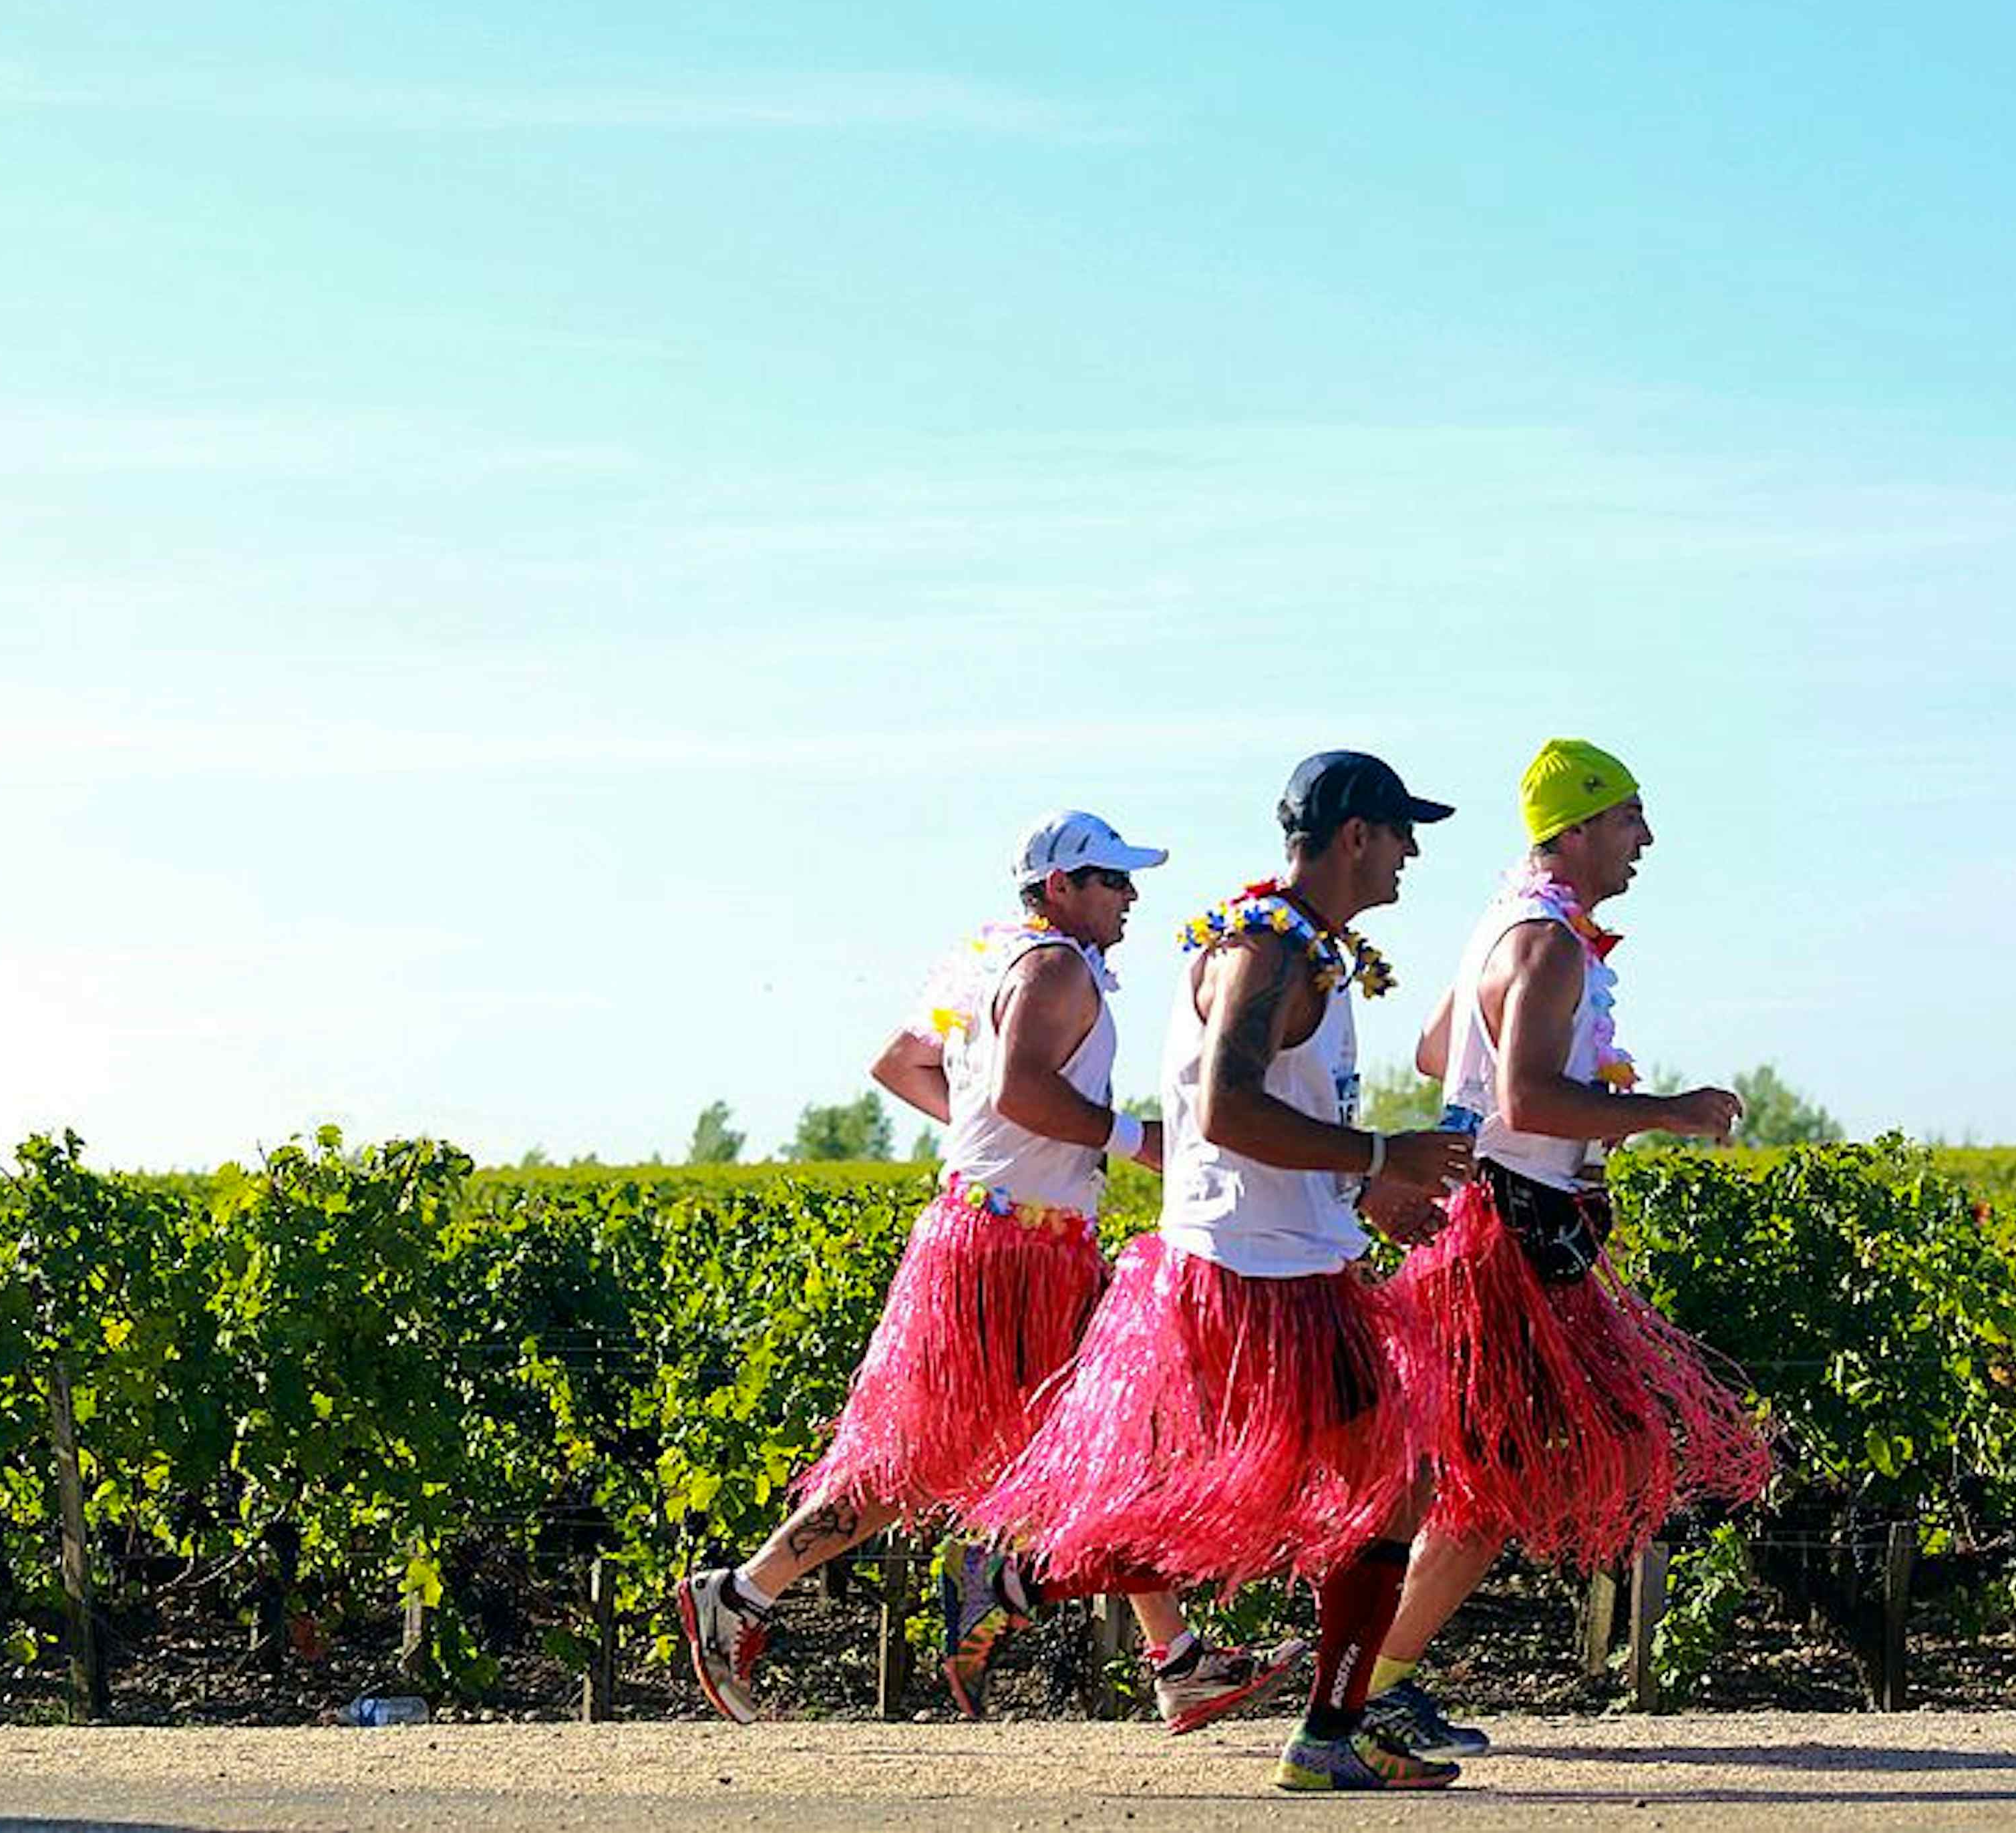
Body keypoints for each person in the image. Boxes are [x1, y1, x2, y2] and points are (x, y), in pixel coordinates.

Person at [675, 810, 1302, 1733]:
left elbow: (902, 1064)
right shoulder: (1054, 967)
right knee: (1076, 1445)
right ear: (1061, 887)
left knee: (1001, 1452)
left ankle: (1176, 1660)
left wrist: (993, 1143)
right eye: (1112, 880)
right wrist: (1131, 1141)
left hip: (996, 1240)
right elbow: (1016, 1090)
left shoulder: (993, 960)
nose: (1130, 896)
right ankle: (755, 1590)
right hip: (1013, 1255)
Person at [969, 752, 1477, 1792]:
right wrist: (1381, 1156)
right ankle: (1029, 1574)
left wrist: (1362, 1189)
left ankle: (1323, 1728)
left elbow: (1264, 1123)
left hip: (1281, 1266)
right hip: (1258, 1281)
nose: (1409, 855)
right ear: (1354, 836)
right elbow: (1228, 1113)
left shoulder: (1297, 947)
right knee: (1381, 1486)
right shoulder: (1266, 949)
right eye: (1399, 833)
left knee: (1363, 1489)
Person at [1359, 739, 1774, 1758]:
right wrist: (1664, 1110)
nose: (1646, 838)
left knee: (1483, 1481)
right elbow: (1530, 1097)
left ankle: (1364, 1681)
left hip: (1506, 1222)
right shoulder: (1545, 943)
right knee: (1490, 1487)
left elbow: (1435, 1050)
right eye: (1630, 817)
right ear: (1577, 829)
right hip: (1509, 1234)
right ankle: (1365, 1689)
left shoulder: (1510, 928)